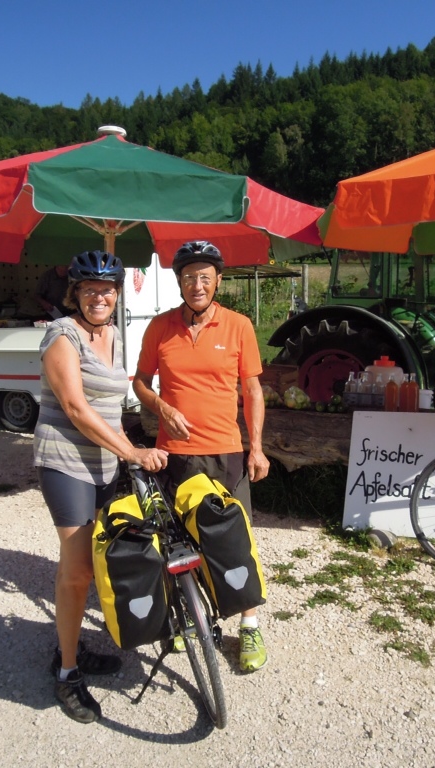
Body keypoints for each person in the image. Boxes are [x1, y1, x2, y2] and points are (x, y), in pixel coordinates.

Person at [33, 250, 169, 724]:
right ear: (75, 293)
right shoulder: (62, 334)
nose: (99, 297)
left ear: (116, 295)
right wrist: (132, 452)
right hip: (66, 461)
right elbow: (75, 407)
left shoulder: (114, 334)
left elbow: (112, 405)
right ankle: (67, 671)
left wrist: (136, 440)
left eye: (107, 290)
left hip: (105, 463)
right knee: (76, 571)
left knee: (99, 561)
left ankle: (71, 645)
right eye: (89, 289)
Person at [133, 240, 271, 673]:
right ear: (179, 282)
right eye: (189, 277)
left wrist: (257, 447)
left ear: (218, 282)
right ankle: (191, 615)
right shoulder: (160, 327)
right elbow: (140, 382)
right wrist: (162, 408)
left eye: (205, 277)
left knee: (237, 538)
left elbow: (252, 391)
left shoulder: (238, 326)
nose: (197, 285)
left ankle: (249, 624)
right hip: (175, 454)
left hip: (226, 450)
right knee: (180, 539)